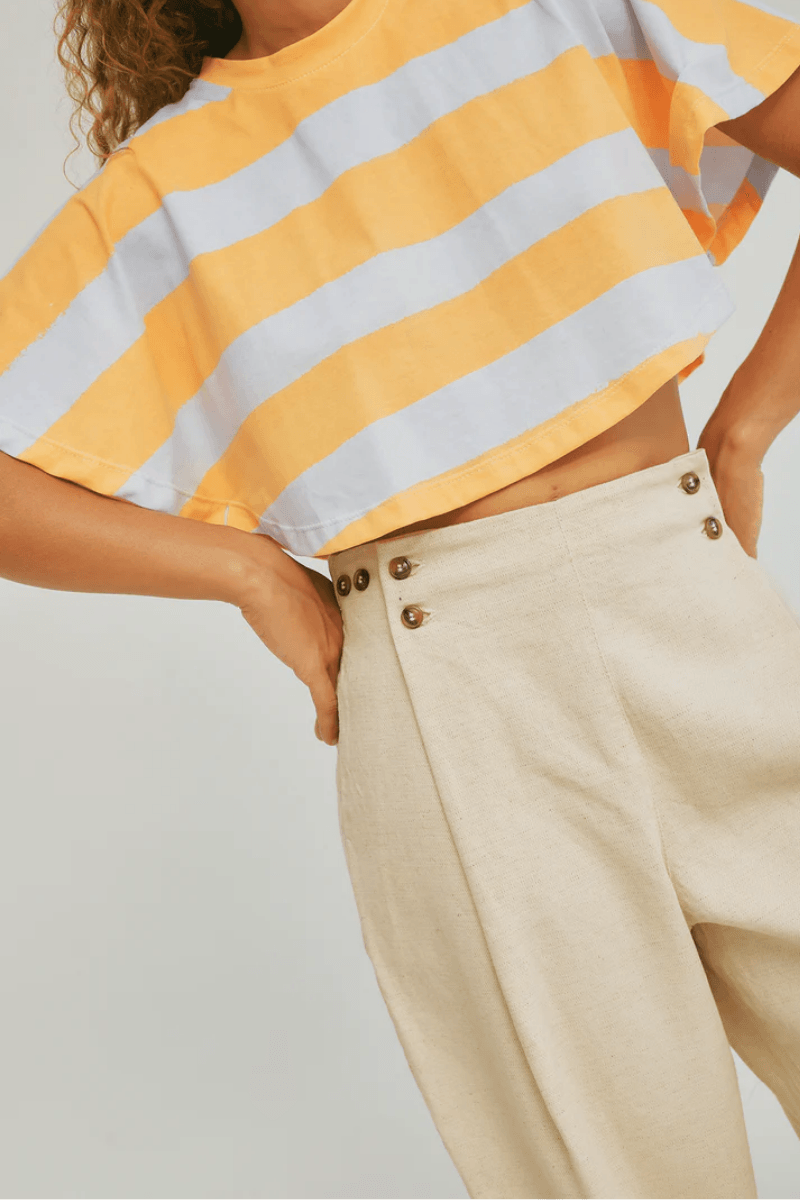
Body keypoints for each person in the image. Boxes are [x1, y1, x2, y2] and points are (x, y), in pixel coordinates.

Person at [2, 0, 800, 1195]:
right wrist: (243, 573)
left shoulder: (554, 12)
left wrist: (746, 425)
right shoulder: (163, 189)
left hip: (687, 601)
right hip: (449, 699)